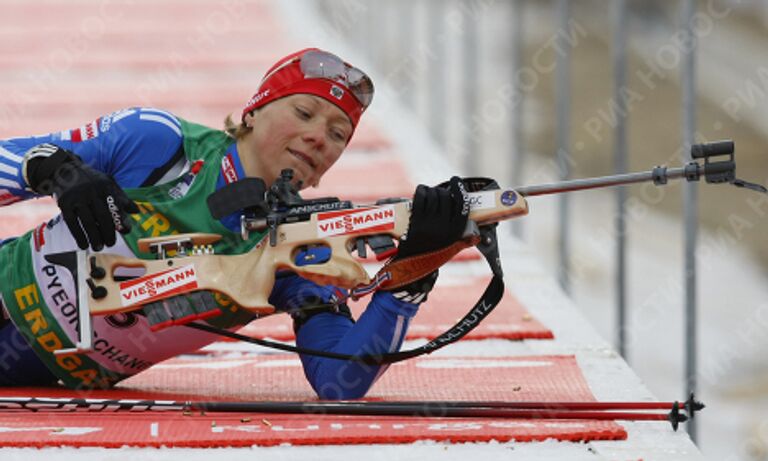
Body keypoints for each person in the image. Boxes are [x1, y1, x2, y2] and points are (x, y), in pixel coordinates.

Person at [0, 48, 469, 399]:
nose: (317, 137)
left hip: (40, 377)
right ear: (253, 111)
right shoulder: (160, 143)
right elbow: (17, 156)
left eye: (337, 134)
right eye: (304, 113)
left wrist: (411, 277)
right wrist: (55, 170)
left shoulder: (300, 250)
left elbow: (339, 382)